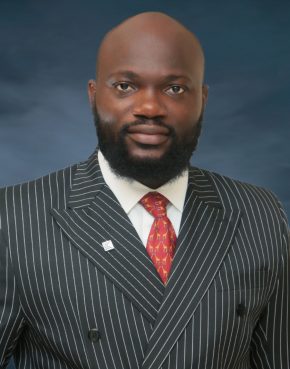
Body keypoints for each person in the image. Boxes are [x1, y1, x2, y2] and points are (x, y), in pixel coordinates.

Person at [0, 11, 289, 369]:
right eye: (125, 86)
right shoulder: (13, 220)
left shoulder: (259, 213)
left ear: (202, 99)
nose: (150, 108)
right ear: (93, 96)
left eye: (174, 88)